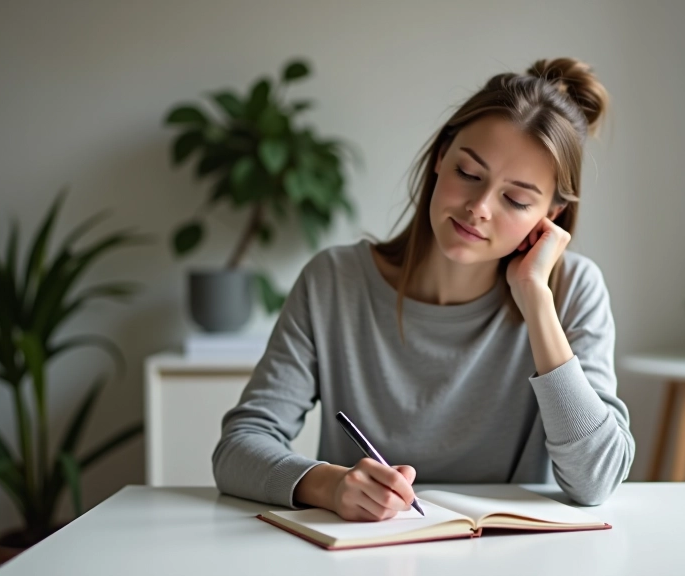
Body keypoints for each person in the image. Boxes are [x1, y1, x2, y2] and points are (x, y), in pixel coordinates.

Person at [212, 57, 635, 522]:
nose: (478, 208)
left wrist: (536, 300)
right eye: (469, 174)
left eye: (515, 199)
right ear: (440, 157)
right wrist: (329, 486)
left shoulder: (573, 291)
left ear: (550, 215)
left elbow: (596, 482)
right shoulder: (334, 282)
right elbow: (238, 448)